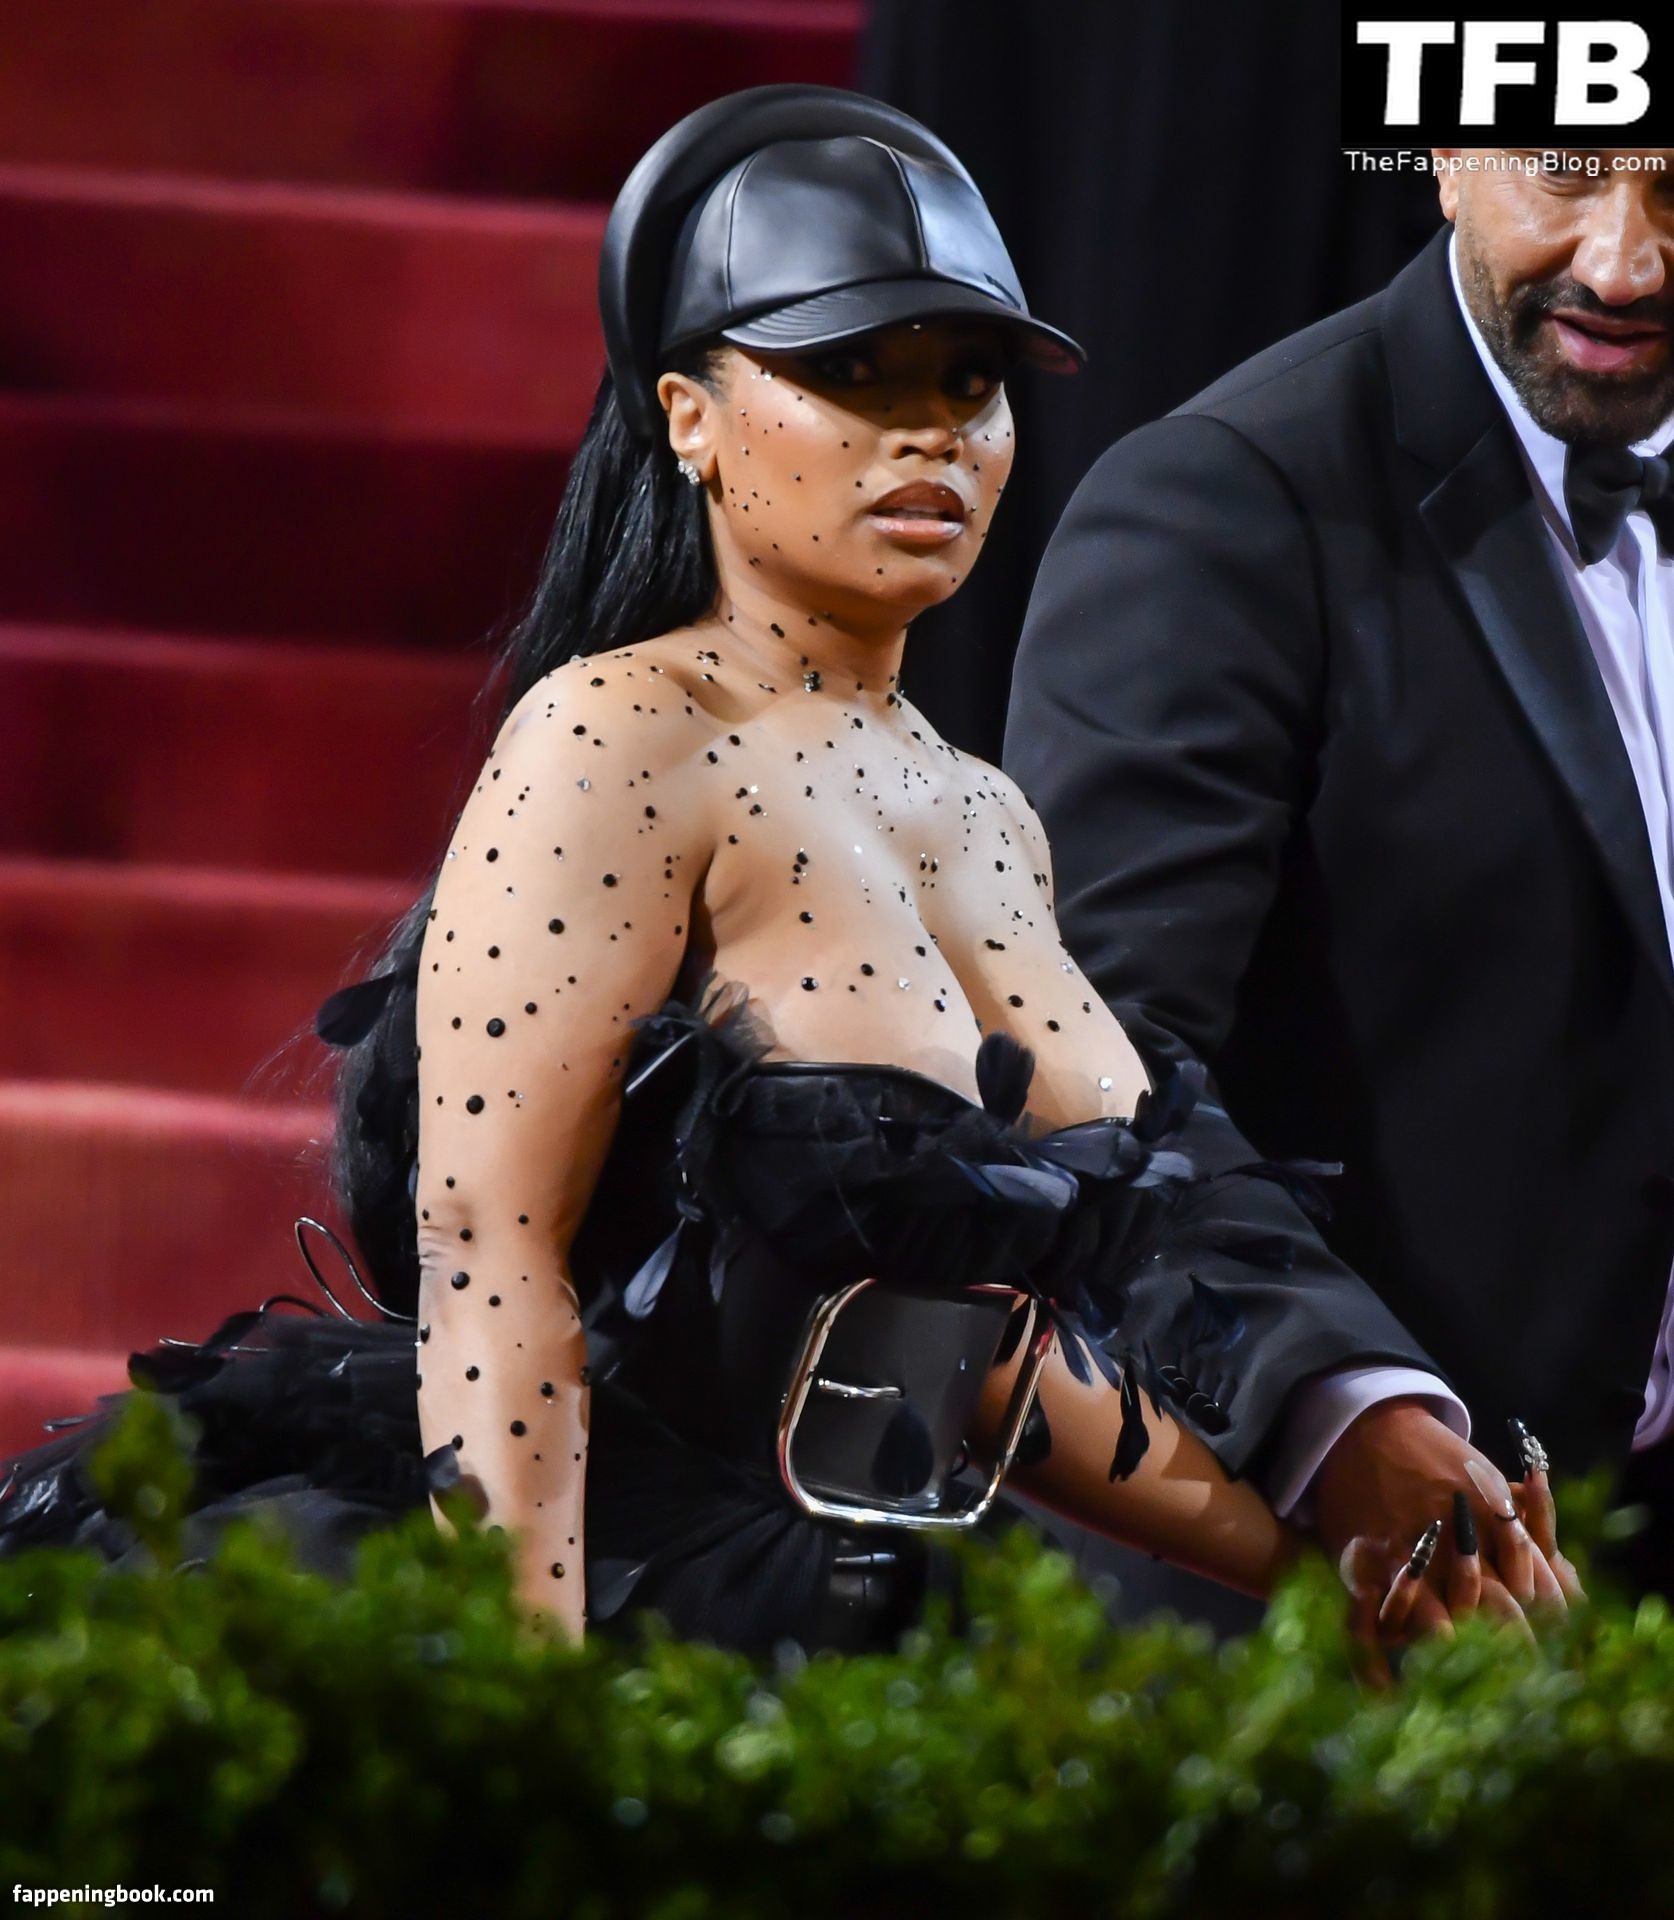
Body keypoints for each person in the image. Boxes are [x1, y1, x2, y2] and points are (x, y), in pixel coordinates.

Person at [0, 93, 1551, 1654]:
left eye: (968, 381)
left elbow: (971, 1358)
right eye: (849, 372)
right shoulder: (615, 736)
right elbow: (492, 1258)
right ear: (687, 415)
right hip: (595, 1593)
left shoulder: (986, 814)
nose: (927, 432)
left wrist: (1345, 1574)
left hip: (859, 1613)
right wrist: (523, 1696)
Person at [1004, 145, 1674, 1619]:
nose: (1625, 263)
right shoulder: (1222, 500)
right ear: (1449, 154)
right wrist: (1344, 1409)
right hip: (1316, 1594)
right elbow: (1089, 1066)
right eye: (1568, 172)